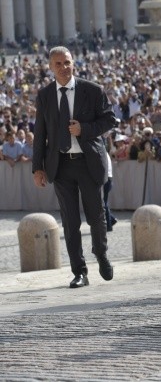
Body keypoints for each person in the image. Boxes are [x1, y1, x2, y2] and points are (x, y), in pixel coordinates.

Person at [32, 47, 116, 288]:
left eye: (67, 62)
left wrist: (84, 130)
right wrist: (37, 168)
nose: (63, 68)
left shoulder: (92, 90)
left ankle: (101, 254)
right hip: (60, 166)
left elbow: (110, 119)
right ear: (50, 67)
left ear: (73, 63)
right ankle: (79, 271)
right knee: (70, 221)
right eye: (58, 64)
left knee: (96, 216)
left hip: (88, 163)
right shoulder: (45, 95)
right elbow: (40, 134)